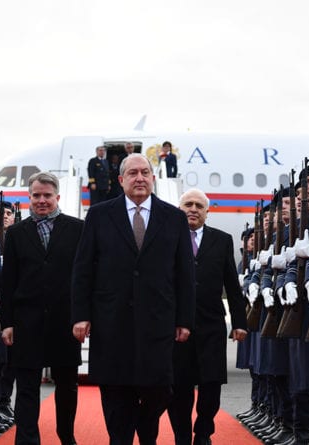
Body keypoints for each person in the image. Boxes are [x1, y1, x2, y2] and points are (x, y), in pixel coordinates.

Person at [72, 153, 196, 445]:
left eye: (144, 172)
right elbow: (83, 269)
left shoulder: (174, 217)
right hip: (111, 322)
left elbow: (185, 273)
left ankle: (145, 426)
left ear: (153, 178)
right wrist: (80, 315)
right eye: (132, 173)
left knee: (159, 391)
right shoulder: (99, 215)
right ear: (121, 180)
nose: (139, 178)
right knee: (116, 398)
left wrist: (185, 319)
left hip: (158, 323)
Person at [0, 171, 82, 445]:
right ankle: (27, 440)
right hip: (27, 321)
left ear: (57, 197)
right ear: (29, 197)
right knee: (26, 387)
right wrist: (7, 323)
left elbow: (85, 277)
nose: (42, 200)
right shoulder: (15, 233)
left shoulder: (78, 229)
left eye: (47, 195)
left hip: (65, 321)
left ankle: (66, 437)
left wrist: (84, 316)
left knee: (67, 386)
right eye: (36, 195)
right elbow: (8, 281)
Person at [166, 188, 247, 445]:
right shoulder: (166, 238)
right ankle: (181, 436)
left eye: (199, 206)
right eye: (188, 204)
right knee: (179, 388)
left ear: (207, 212)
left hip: (211, 325)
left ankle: (203, 434)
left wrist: (239, 322)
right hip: (176, 326)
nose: (193, 209)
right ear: (179, 210)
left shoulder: (222, 240)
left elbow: (232, 284)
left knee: (211, 386)